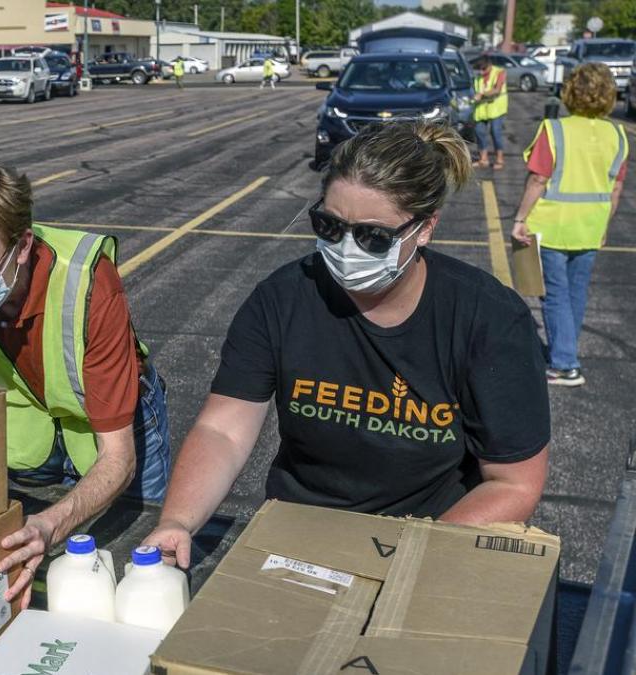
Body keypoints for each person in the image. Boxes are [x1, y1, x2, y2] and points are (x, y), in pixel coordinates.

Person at [143, 122, 550, 568]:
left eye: (373, 237)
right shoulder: (283, 299)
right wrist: (179, 521)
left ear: (426, 228)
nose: (346, 248)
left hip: (429, 540)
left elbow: (513, 483)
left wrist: (410, 556)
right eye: (330, 225)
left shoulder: (488, 320)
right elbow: (223, 429)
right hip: (300, 537)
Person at [0, 159, 171, 605]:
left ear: (22, 245)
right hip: (27, 438)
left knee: (136, 566)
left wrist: (50, 526)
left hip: (110, 428)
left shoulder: (87, 282)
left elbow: (118, 459)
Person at [512, 62, 628, 387]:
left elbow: (538, 179)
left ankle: (565, 364)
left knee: (554, 294)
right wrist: (604, 225)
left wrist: (520, 218)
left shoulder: (555, 129)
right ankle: (566, 351)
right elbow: (615, 188)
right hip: (590, 225)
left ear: (570, 92)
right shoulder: (617, 134)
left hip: (553, 224)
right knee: (575, 294)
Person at [472, 56, 508, 169]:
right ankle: (483, 159)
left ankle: (500, 159)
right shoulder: (478, 76)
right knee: (479, 132)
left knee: (495, 132)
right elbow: (475, 90)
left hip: (496, 108)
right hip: (481, 109)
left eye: (483, 69)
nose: (481, 72)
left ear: (490, 65)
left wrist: (482, 95)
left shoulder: (499, 72)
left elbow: (497, 90)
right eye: (479, 69)